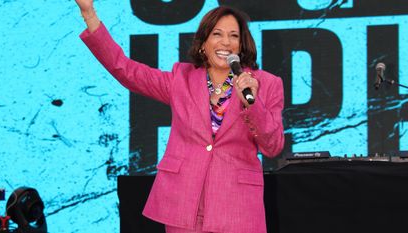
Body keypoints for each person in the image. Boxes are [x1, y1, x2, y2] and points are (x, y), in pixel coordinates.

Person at [75, 1, 284, 232]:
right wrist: (89, 14)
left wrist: (252, 105)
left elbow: (273, 147)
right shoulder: (181, 78)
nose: (226, 42)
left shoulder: (267, 85)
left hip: (236, 208)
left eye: (234, 36)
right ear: (204, 43)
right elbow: (124, 69)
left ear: (241, 46)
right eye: (217, 34)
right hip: (184, 207)